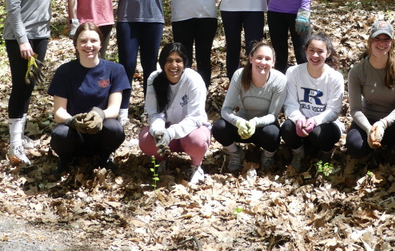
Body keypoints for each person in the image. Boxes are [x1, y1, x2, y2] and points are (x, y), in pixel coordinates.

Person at [3, 0, 57, 165]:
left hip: (41, 35)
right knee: (19, 85)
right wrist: (22, 40)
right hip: (19, 37)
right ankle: (14, 143)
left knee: (30, 84)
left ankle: (20, 135)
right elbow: (13, 6)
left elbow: (42, 3)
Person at [49, 23, 130, 177]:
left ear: (101, 43)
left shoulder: (115, 70)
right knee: (60, 134)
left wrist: (99, 115)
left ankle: (104, 158)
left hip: (101, 132)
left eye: (93, 41)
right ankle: (66, 160)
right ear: (76, 45)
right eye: (83, 41)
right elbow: (59, 112)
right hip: (74, 134)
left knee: (115, 128)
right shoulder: (64, 72)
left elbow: (114, 109)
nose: (89, 45)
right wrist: (73, 121)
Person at [346, 21, 395, 175]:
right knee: (354, 146)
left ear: (391, 43)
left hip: (391, 122)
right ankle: (373, 151)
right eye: (377, 39)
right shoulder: (357, 71)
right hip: (367, 122)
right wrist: (369, 129)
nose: (381, 43)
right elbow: (355, 109)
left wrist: (383, 124)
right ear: (370, 42)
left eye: (386, 39)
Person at [139, 43, 212, 187]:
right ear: (162, 63)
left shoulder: (194, 79)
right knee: (146, 139)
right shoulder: (154, 78)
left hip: (191, 131)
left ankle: (196, 166)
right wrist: (159, 132)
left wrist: (171, 133)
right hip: (166, 128)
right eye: (169, 60)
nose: (174, 65)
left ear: (185, 63)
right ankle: (162, 159)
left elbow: (195, 117)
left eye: (178, 60)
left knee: (198, 140)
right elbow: (154, 113)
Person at [211, 42, 286, 172]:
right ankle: (235, 153)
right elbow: (226, 109)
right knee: (219, 127)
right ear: (251, 59)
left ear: (273, 62)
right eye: (259, 57)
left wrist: (255, 122)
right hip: (242, 126)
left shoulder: (279, 80)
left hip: (263, 127)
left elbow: (273, 115)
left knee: (273, 134)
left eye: (267, 59)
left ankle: (268, 156)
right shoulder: (239, 75)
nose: (263, 62)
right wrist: (238, 122)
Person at [280, 33, 344, 171]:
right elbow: (290, 103)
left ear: (328, 53)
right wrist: (298, 119)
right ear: (305, 51)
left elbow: (334, 110)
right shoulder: (293, 72)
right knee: (286, 128)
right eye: (312, 50)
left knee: (319, 135)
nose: (315, 55)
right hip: (301, 122)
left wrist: (314, 121)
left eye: (320, 51)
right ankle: (298, 153)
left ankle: (326, 153)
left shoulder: (335, 78)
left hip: (325, 124)